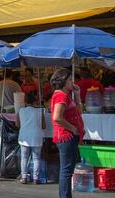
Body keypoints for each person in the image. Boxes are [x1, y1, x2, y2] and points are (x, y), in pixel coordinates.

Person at [50, 69, 84, 198]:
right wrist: (73, 128)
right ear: (63, 81)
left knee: (67, 170)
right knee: (66, 171)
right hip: (66, 136)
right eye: (70, 80)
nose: (72, 82)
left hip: (69, 136)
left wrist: (78, 95)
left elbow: (79, 112)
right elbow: (57, 117)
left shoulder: (66, 95)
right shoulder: (61, 95)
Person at [16, 92, 45, 184]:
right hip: (36, 137)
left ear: (25, 101)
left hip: (24, 137)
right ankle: (36, 178)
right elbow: (44, 126)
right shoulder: (40, 111)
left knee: (24, 157)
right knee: (36, 158)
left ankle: (24, 177)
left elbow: (17, 124)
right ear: (35, 101)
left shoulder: (20, 111)